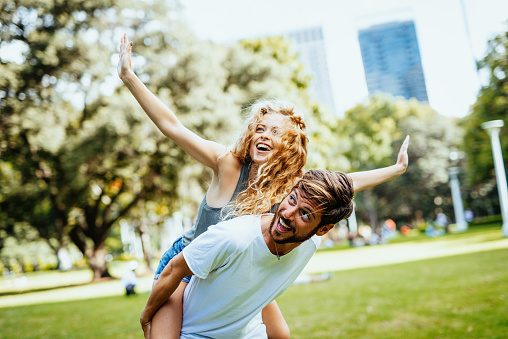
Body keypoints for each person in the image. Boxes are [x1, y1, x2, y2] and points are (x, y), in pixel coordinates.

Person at [118, 34, 409, 338]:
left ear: (290, 144)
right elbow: (173, 126)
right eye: (260, 128)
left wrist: (396, 168)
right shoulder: (227, 163)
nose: (264, 135)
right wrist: (129, 77)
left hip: (238, 274)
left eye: (275, 132)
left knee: (281, 335)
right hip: (187, 268)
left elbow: (347, 182)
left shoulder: (291, 188)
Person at [140, 169, 354, 338]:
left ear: (323, 229)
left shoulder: (310, 242)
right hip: (196, 333)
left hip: (245, 332)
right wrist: (147, 315)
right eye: (292, 199)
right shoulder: (235, 237)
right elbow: (174, 269)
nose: (288, 214)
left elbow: (348, 188)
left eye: (305, 214)